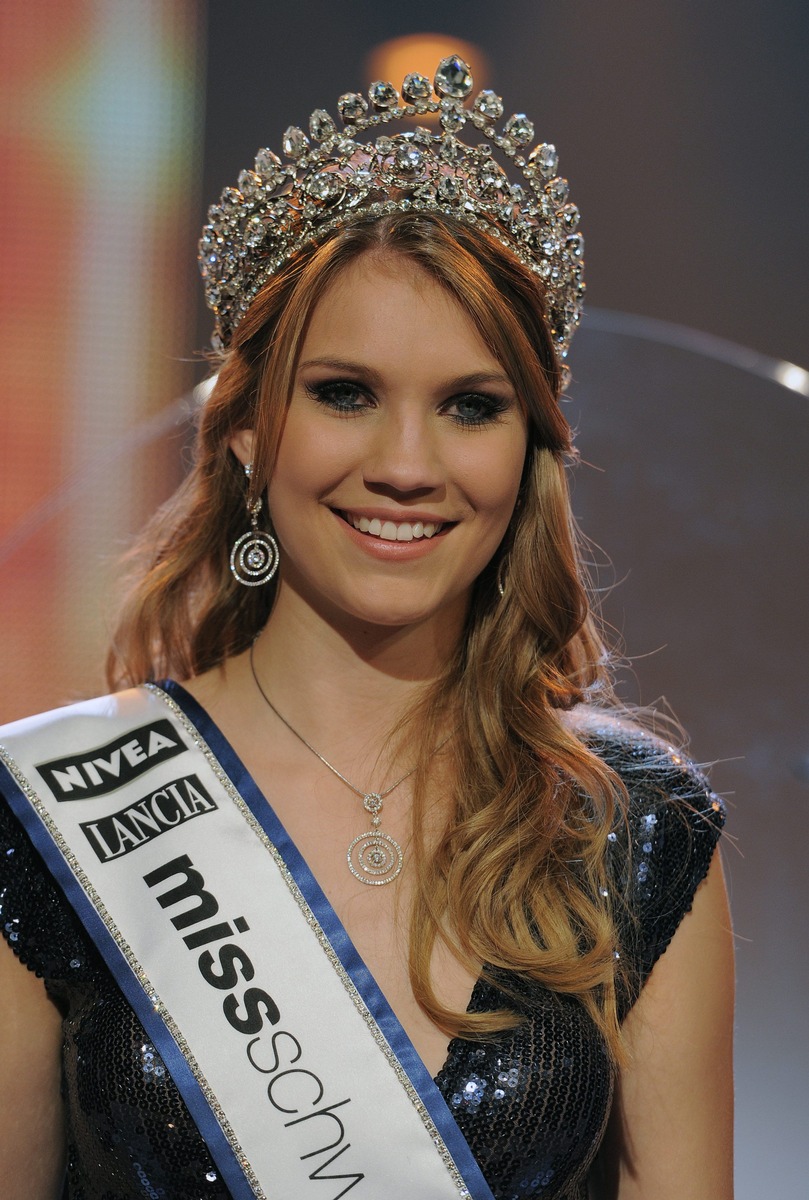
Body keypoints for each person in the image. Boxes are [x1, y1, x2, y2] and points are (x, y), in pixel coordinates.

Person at [0, 54, 733, 1200]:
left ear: (529, 449)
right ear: (246, 426)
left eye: (469, 407)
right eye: (344, 393)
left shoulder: (629, 828)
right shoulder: (50, 807)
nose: (404, 466)